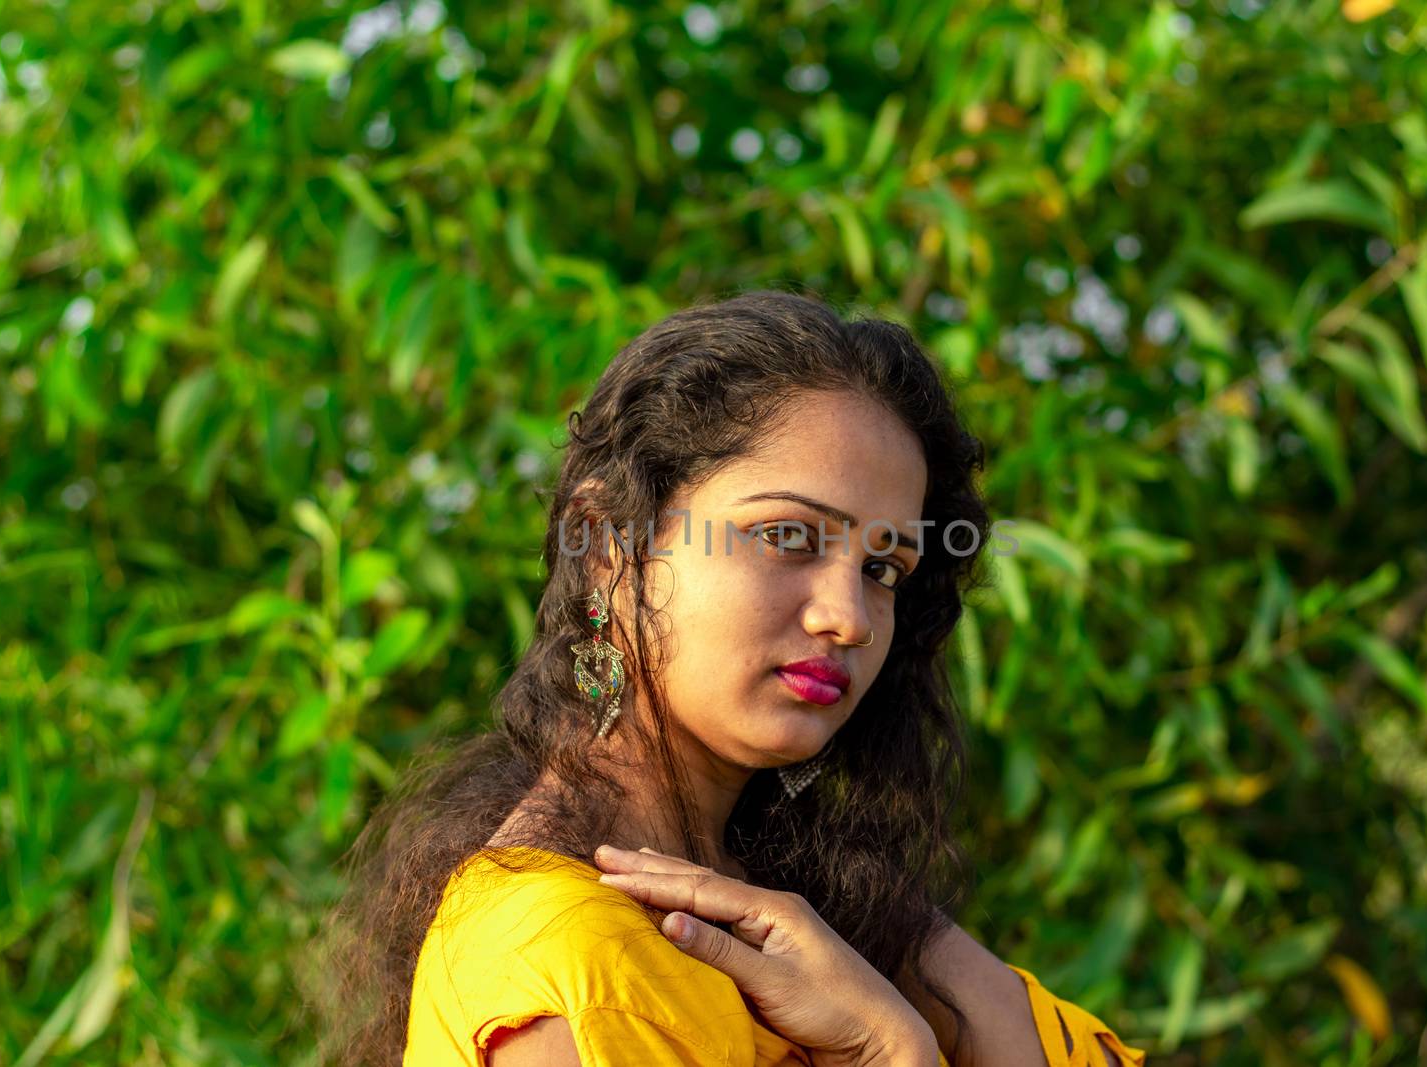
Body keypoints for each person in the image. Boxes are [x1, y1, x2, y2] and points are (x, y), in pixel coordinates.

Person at [320, 291, 1146, 1067]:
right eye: (787, 536)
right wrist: (891, 1048)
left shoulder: (816, 914)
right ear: (610, 546)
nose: (849, 616)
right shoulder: (557, 959)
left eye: (883, 568)